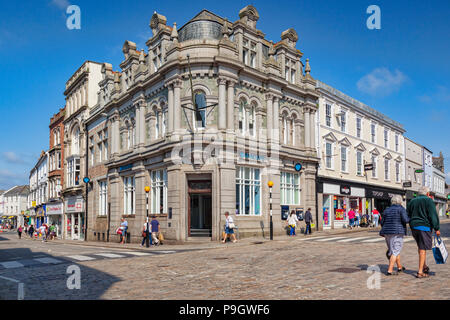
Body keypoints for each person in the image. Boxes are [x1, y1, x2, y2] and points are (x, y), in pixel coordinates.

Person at [407, 186, 440, 279]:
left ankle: (424, 266)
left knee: (420, 246)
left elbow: (408, 214)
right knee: (422, 248)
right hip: (424, 226)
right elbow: (433, 215)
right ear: (428, 193)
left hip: (414, 226)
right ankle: (420, 272)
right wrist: (437, 228)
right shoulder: (428, 201)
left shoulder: (412, 201)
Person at [380, 195, 409, 276]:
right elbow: (405, 220)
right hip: (397, 232)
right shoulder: (401, 209)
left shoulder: (387, 210)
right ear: (400, 202)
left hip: (387, 232)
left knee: (394, 250)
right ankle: (390, 270)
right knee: (395, 251)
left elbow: (382, 222)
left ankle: (399, 267)